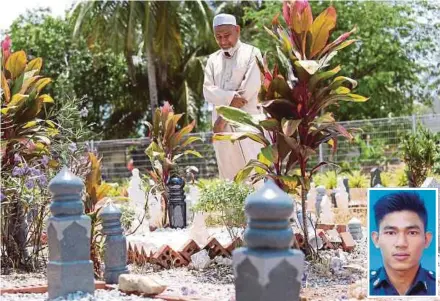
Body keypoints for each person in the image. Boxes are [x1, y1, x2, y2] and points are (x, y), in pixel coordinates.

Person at [203, 13, 263, 181]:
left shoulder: (252, 53)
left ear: (237, 30)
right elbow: (207, 90)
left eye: (227, 35)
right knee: (228, 178)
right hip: (222, 131)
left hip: (248, 127)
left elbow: (247, 91)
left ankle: (258, 208)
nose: (223, 41)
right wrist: (230, 97)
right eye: (218, 37)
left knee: (254, 175)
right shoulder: (212, 60)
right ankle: (232, 209)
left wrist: (222, 118)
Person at [369, 191, 436, 296]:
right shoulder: (361, 289)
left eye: (412, 233)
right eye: (391, 233)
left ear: (426, 240)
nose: (401, 243)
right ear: (376, 239)